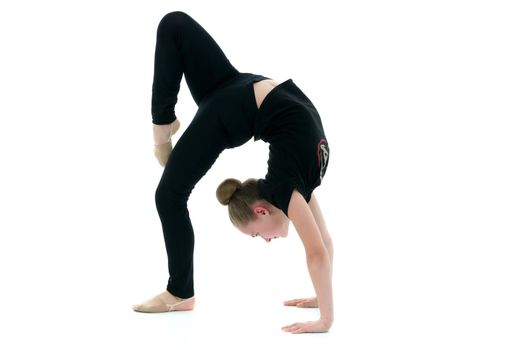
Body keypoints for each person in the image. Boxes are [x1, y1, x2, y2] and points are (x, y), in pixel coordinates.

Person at [132, 11, 333, 334]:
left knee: (175, 24)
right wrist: (325, 320)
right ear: (260, 209)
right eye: (257, 234)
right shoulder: (287, 187)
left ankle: (164, 124)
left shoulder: (297, 183)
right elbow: (318, 251)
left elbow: (323, 245)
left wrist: (321, 299)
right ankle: (181, 291)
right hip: (229, 107)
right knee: (168, 196)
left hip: (239, 89)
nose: (264, 240)